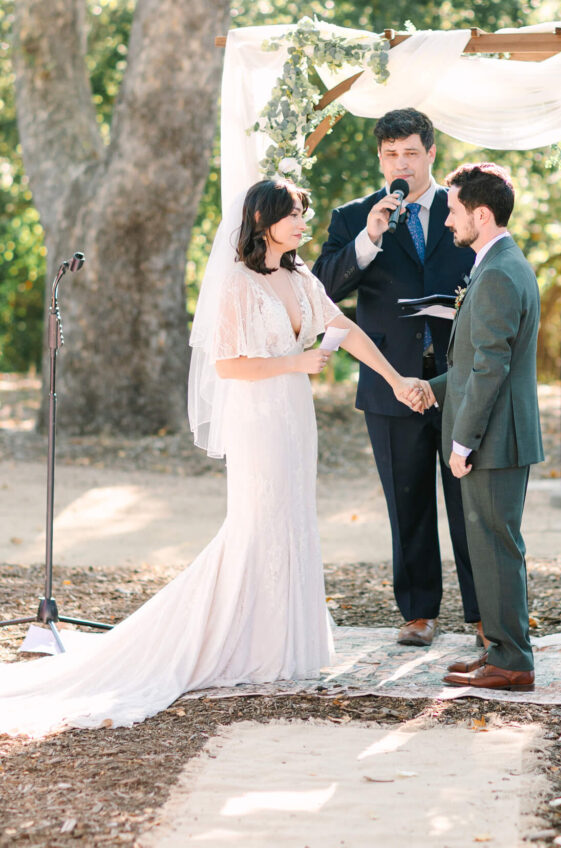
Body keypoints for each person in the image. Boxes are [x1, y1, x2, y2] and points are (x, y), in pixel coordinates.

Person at [0, 178, 418, 738]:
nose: (302, 223)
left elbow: (348, 329)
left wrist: (393, 379)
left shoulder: (300, 277)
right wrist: (295, 365)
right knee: (257, 523)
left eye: (302, 214)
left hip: (295, 418)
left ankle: (285, 645)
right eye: (292, 214)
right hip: (258, 416)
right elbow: (229, 366)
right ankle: (237, 642)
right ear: (262, 220)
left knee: (292, 518)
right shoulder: (238, 286)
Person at [313, 109, 480, 648]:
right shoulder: (354, 217)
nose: (401, 164)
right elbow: (321, 291)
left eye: (410, 153)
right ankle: (418, 612)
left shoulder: (464, 209)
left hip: (457, 379)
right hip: (390, 382)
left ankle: (483, 614)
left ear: (431, 153)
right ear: (380, 158)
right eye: (390, 155)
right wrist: (368, 238)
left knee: (469, 501)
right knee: (406, 500)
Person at [409, 162, 544, 689]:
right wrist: (431, 388)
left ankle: (511, 661)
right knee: (490, 545)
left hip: (495, 438)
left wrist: (461, 441)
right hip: (499, 432)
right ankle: (500, 650)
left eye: (453, 210)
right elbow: (472, 364)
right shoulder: (498, 265)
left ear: (480, 214)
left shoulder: (498, 274)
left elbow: (492, 367)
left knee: (495, 547)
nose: (447, 221)